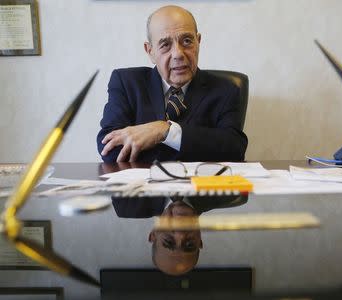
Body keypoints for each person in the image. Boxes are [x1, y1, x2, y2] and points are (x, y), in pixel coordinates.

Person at [97, 5, 248, 163]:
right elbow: (109, 149)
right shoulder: (126, 83)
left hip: (197, 185)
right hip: (142, 186)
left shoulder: (226, 90)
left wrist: (165, 131)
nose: (178, 54)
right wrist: (195, 146)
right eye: (165, 45)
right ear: (150, 51)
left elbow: (234, 150)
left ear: (198, 42)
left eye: (187, 41)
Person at [112, 195, 248, 275]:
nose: (180, 234)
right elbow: (236, 147)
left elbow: (111, 151)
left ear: (153, 234)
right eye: (189, 244)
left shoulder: (126, 204)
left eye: (168, 242)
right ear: (199, 240)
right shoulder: (231, 195)